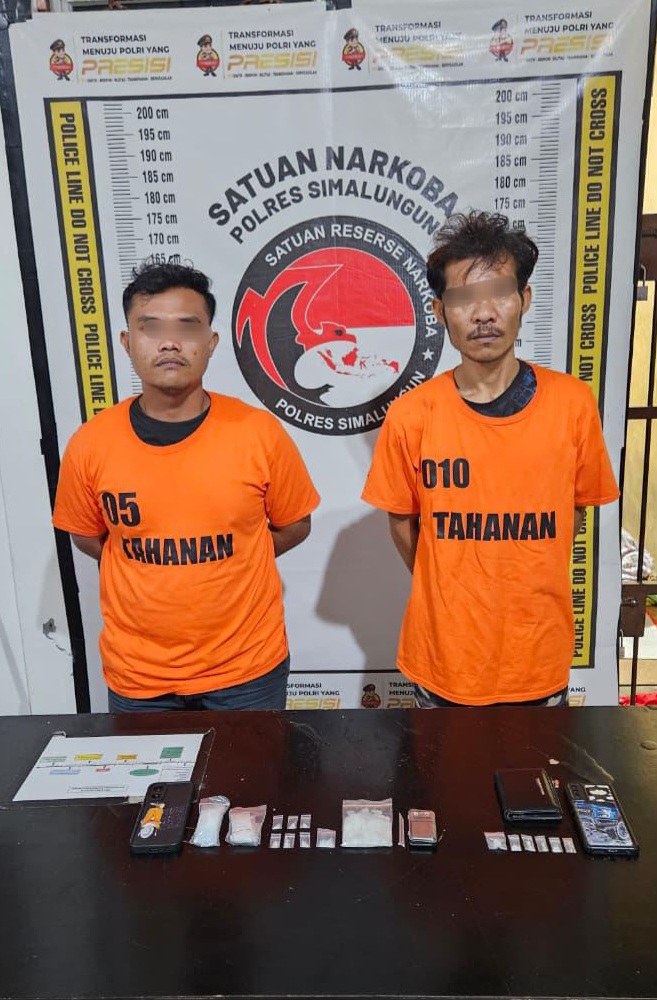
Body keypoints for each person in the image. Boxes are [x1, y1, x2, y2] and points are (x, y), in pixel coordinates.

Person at [362, 211, 618, 708]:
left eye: (499, 293)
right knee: (442, 764)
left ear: (524, 299)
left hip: (537, 657)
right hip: (442, 660)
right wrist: (448, 581)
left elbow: (576, 511)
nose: (483, 314)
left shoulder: (572, 403)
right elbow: (402, 523)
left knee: (537, 764)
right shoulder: (412, 415)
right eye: (463, 299)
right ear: (440, 311)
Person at [53, 262, 319, 712]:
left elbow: (295, 525)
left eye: (187, 328)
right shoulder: (90, 444)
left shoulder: (258, 433)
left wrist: (239, 557)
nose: (170, 343)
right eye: (151, 327)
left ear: (210, 343)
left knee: (252, 765)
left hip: (247, 672)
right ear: (127, 342)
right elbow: (87, 536)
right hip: (139, 677)